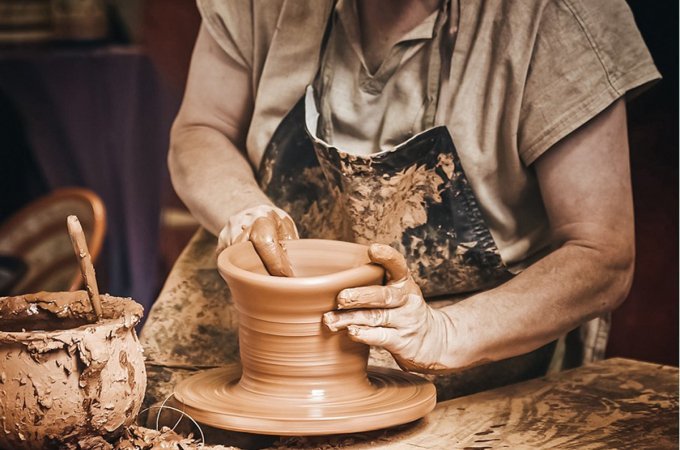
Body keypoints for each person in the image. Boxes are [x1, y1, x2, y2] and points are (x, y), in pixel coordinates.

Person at [140, 0, 660, 404]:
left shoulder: (555, 16)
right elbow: (200, 127)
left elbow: (603, 254)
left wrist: (442, 334)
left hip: (459, 348)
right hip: (255, 336)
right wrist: (243, 208)